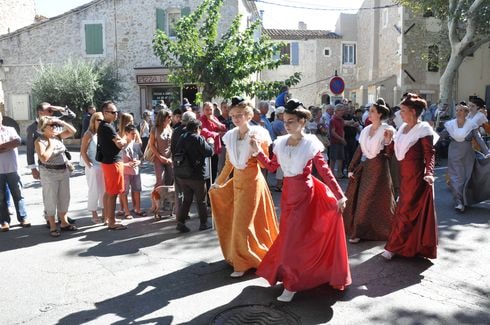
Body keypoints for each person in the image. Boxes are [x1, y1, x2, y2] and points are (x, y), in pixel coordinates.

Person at [250, 99, 351, 302]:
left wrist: (340, 195)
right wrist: (258, 151)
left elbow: (325, 171)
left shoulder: (311, 143)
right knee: (289, 237)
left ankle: (292, 283)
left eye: (292, 121)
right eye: (285, 121)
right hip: (287, 196)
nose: (287, 125)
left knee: (294, 240)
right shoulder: (280, 143)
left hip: (305, 196)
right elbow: (271, 167)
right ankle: (290, 275)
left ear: (302, 122)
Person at [209, 96, 279, 278]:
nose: (236, 118)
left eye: (239, 114)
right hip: (237, 184)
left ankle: (241, 262)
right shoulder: (230, 136)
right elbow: (228, 165)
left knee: (242, 224)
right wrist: (218, 182)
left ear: (248, 115)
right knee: (244, 223)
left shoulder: (259, 134)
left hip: (253, 183)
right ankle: (250, 256)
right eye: (233, 115)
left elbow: (266, 166)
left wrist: (257, 149)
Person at [382, 94, 439, 260]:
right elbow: (391, 152)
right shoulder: (401, 128)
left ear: (413, 112)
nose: (400, 113)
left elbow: (430, 154)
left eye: (403, 110)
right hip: (403, 175)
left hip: (416, 176)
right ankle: (407, 245)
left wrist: (429, 173)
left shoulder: (424, 129)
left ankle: (392, 246)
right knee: (406, 210)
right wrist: (388, 141)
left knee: (405, 210)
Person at [343, 100, 396, 243]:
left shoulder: (388, 129)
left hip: (379, 167)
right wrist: (351, 167)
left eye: (372, 111)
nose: (369, 113)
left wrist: (388, 142)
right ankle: (363, 230)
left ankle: (358, 232)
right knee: (364, 199)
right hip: (367, 167)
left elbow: (390, 153)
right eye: (370, 110)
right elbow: (359, 150)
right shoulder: (366, 129)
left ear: (379, 114)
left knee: (369, 200)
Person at [441, 103, 489, 212]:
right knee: (457, 178)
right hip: (454, 154)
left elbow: (479, 139)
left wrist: (487, 152)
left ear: (466, 113)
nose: (458, 113)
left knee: (467, 177)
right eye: (457, 110)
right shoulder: (450, 125)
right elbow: (440, 136)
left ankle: (465, 199)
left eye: (461, 110)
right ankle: (459, 201)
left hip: (468, 155)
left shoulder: (471, 125)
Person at [35, 116, 77, 237]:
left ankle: (64, 222)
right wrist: (51, 144)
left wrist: (62, 122)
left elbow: (73, 131)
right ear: (44, 128)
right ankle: (53, 226)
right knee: (50, 199)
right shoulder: (39, 141)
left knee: (64, 198)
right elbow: (43, 158)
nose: (54, 127)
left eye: (54, 125)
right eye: (51, 125)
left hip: (63, 171)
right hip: (49, 174)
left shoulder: (58, 136)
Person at [174, 119, 214, 232]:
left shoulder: (182, 137)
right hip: (196, 174)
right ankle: (204, 223)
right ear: (197, 129)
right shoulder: (198, 138)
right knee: (201, 200)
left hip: (183, 174)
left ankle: (181, 222)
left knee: (187, 199)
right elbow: (209, 152)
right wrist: (210, 142)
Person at [96, 101, 128, 230]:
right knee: (113, 193)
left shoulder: (104, 126)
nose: (116, 114)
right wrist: (125, 139)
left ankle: (108, 218)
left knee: (109, 192)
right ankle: (112, 222)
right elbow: (120, 144)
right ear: (105, 113)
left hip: (108, 162)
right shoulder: (107, 127)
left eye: (116, 112)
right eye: (113, 112)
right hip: (113, 163)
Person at [0, 112, 30, 232]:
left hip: (13, 169)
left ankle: (23, 218)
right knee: (0, 198)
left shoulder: (10, 129)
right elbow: (12, 144)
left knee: (18, 195)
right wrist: (8, 146)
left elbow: (17, 142)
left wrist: (1, 147)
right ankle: (4, 221)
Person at [80, 112, 105, 224]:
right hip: (93, 166)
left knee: (104, 190)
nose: (100, 122)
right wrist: (90, 166)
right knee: (94, 190)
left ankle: (105, 212)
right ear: (93, 121)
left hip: (103, 165)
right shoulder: (88, 134)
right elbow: (83, 151)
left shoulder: (103, 133)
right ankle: (94, 213)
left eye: (102, 120)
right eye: (98, 120)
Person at [199, 102, 227, 183]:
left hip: (215, 149)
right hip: (206, 149)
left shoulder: (214, 118)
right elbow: (204, 132)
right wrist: (217, 134)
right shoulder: (201, 120)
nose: (209, 112)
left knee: (214, 172)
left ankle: (212, 191)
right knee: (207, 174)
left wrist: (214, 121)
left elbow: (224, 128)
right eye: (207, 109)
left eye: (210, 109)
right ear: (203, 110)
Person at [121, 124, 145, 217]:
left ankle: (138, 209)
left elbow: (142, 156)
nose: (134, 136)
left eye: (135, 134)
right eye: (132, 134)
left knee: (137, 190)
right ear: (126, 133)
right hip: (125, 171)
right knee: (124, 192)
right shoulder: (121, 146)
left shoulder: (136, 145)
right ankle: (126, 211)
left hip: (135, 171)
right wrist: (127, 164)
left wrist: (139, 161)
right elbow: (117, 162)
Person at [148, 109, 174, 188]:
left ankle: (167, 199)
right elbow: (151, 145)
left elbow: (172, 145)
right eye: (169, 116)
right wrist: (160, 157)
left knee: (170, 180)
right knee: (160, 181)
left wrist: (171, 158)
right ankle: (157, 199)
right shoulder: (154, 129)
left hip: (169, 158)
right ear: (163, 117)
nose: (171, 118)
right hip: (158, 158)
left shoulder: (170, 129)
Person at [329, 104, 346, 178]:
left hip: (340, 142)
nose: (343, 112)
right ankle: (331, 175)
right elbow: (333, 132)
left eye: (343, 110)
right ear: (336, 111)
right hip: (334, 142)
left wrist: (343, 138)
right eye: (341, 110)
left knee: (341, 158)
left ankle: (339, 174)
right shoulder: (333, 120)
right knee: (333, 159)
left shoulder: (341, 120)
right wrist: (341, 139)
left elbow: (342, 130)